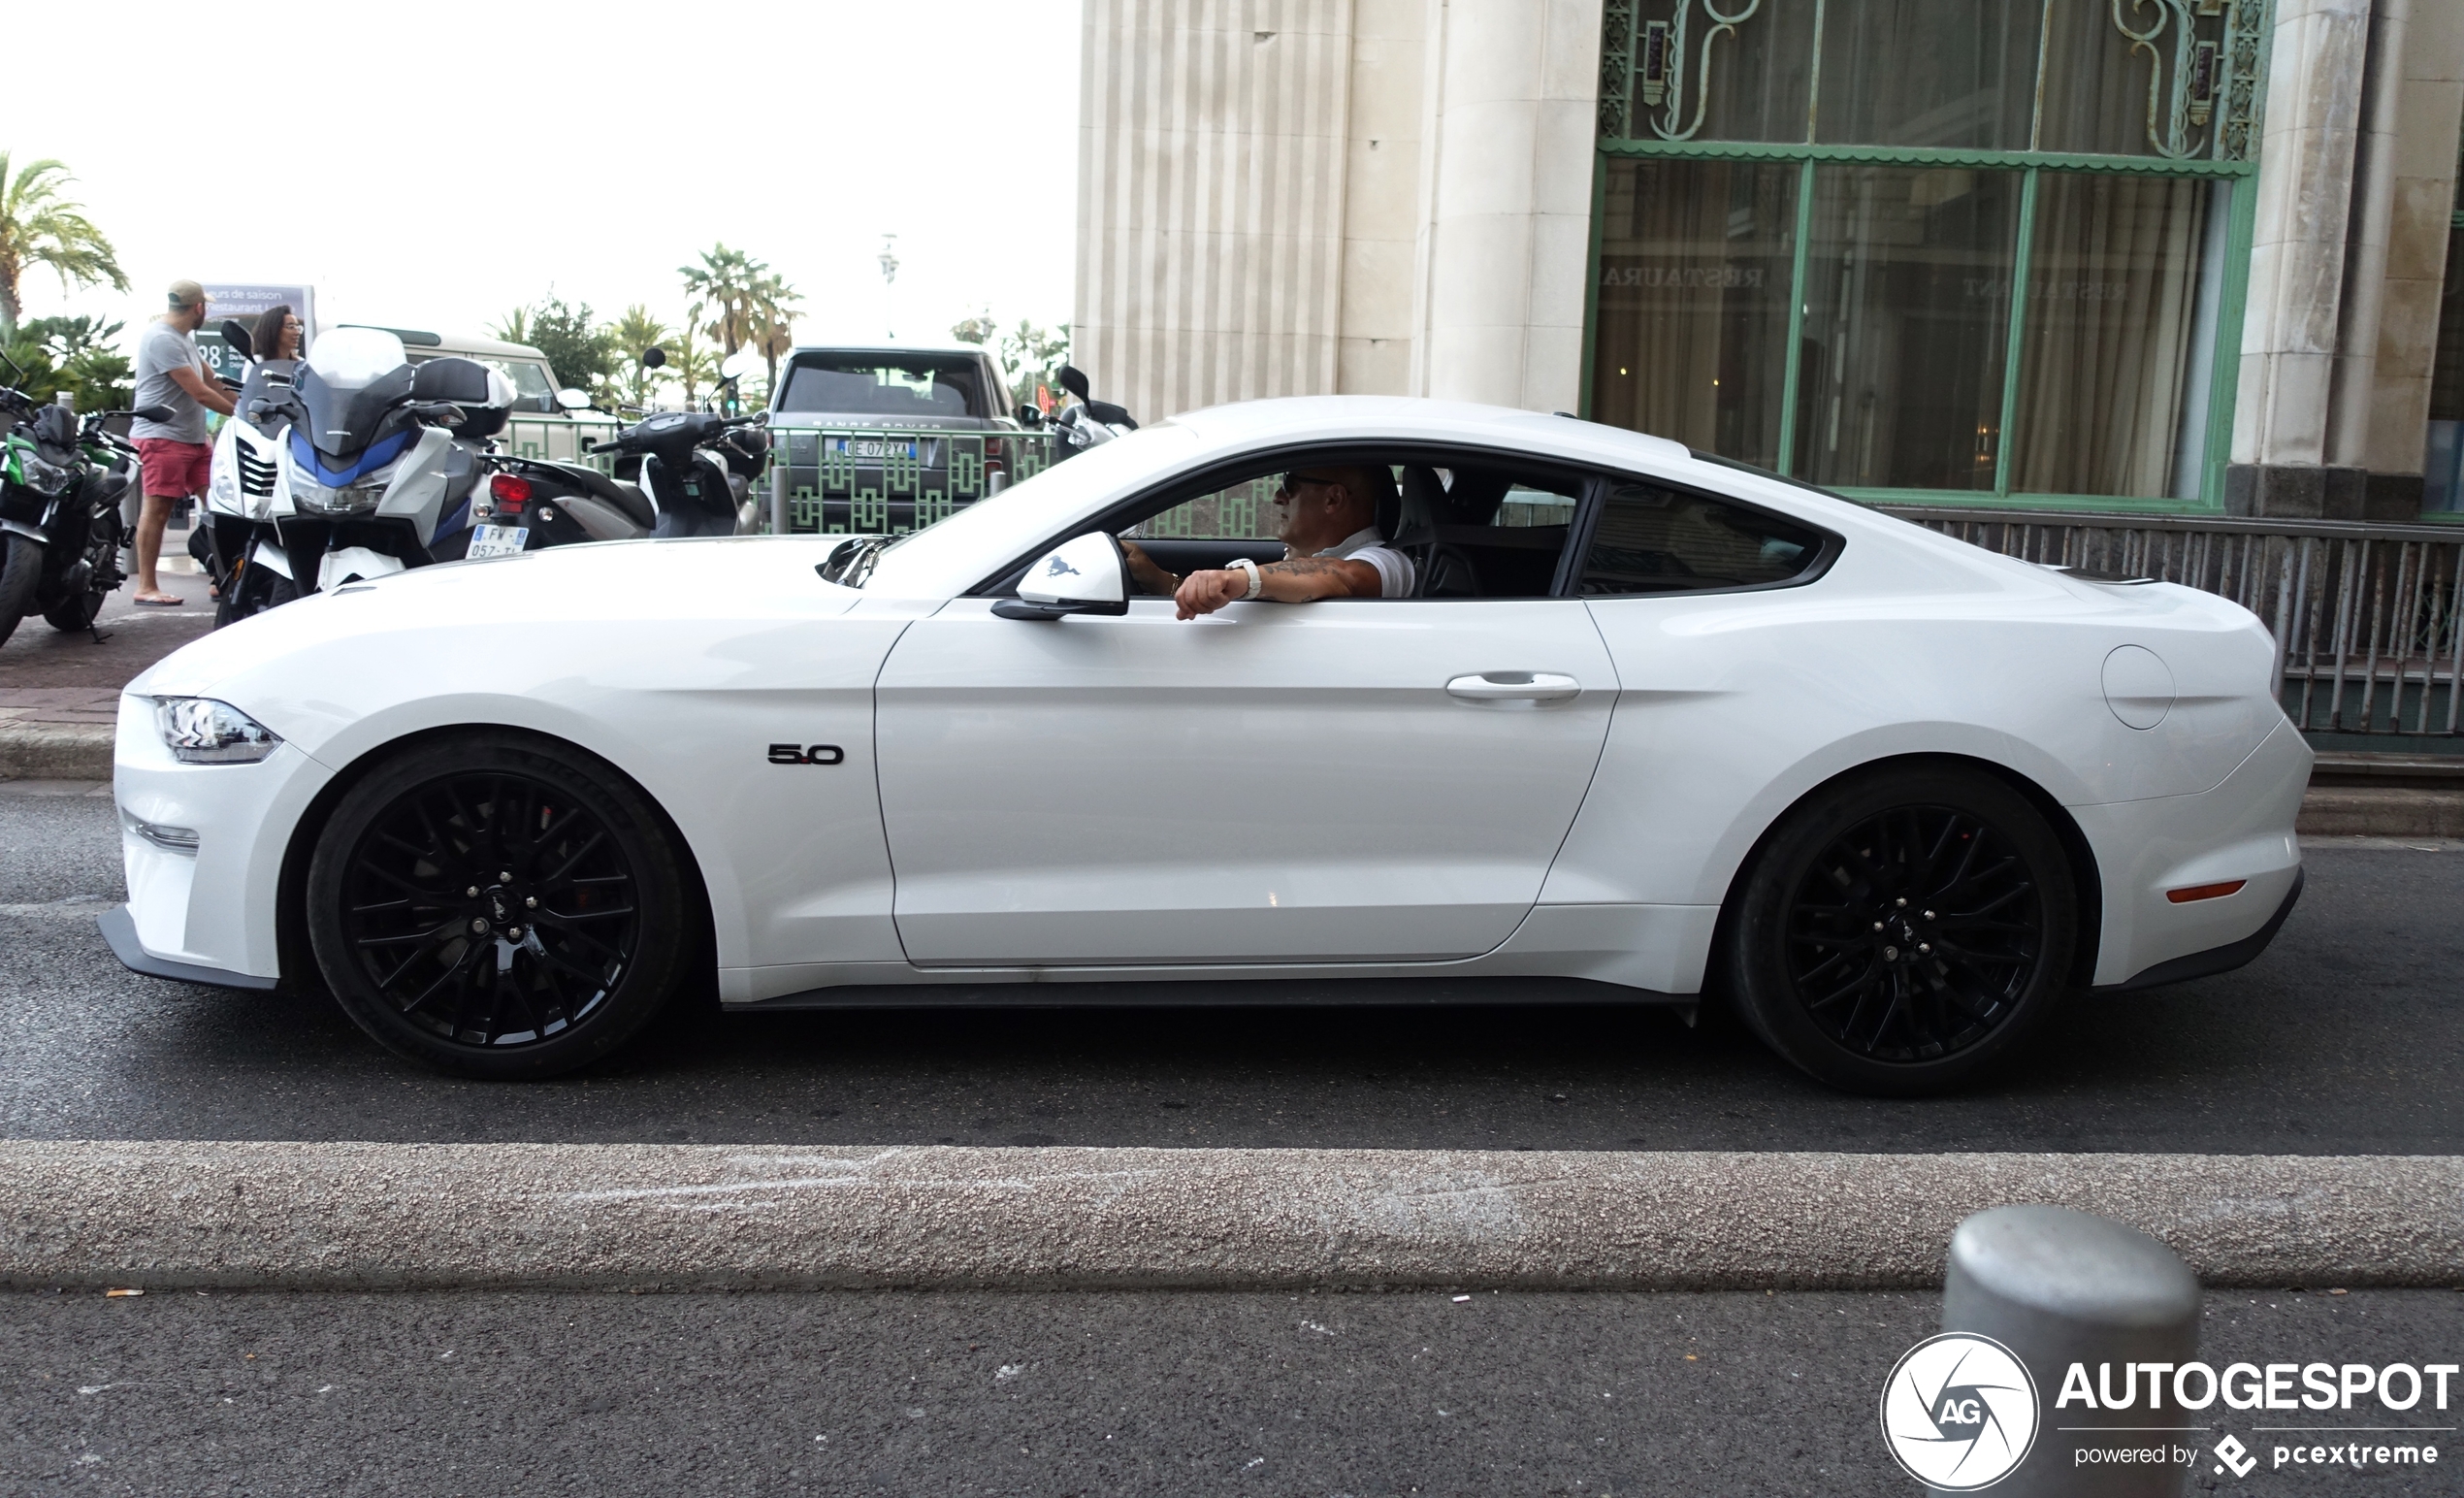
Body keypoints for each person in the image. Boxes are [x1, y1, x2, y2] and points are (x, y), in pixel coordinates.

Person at [1122, 465, 1415, 620]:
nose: (1277, 496)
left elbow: (1342, 576)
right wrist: (1159, 581)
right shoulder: (1309, 556)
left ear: (1333, 499)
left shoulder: (1386, 563)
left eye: (1290, 484)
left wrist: (1238, 578)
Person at [128, 279, 239, 605]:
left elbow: (212, 380)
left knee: (222, 507)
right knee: (158, 509)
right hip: (162, 437)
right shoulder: (161, 338)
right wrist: (243, 417)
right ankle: (146, 586)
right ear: (199, 308)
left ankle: (223, 577)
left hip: (193, 440)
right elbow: (200, 392)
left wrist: (249, 403)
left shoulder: (183, 338)